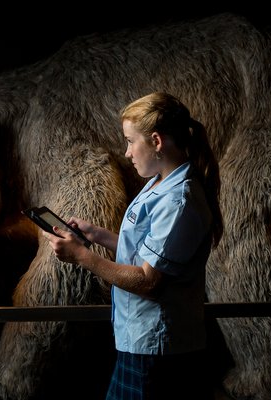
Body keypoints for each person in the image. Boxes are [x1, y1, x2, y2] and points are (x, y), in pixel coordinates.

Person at [42, 92, 223, 400]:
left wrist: (82, 256)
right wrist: (97, 235)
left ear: (156, 141)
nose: (126, 153)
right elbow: (148, 252)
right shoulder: (160, 183)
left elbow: (149, 280)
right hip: (141, 343)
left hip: (156, 350)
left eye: (129, 140)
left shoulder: (178, 201)